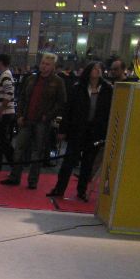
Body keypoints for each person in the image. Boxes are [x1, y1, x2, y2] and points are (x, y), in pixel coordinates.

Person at [46, 61, 112, 202]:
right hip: (77, 129)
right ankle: (59, 188)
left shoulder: (107, 89)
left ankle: (81, 191)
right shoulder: (78, 88)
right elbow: (68, 110)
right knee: (68, 161)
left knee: (88, 163)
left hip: (95, 131)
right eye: (94, 68)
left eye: (99, 69)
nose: (97, 70)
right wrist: (63, 129)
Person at [0, 52, 66, 190]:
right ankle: (14, 177)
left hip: (42, 122)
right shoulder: (31, 79)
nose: (44, 66)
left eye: (47, 64)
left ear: (53, 66)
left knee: (37, 152)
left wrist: (48, 116)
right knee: (19, 149)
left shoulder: (58, 82)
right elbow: (22, 97)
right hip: (26, 119)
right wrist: (19, 115)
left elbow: (61, 103)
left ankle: (32, 181)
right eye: (43, 63)